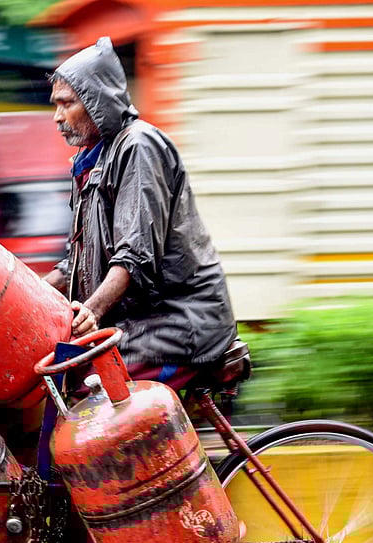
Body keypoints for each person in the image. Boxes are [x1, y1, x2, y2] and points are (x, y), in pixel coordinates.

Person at [45, 36, 236, 390]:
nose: (57, 117)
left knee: (88, 387)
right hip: (141, 324)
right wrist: (28, 294)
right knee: (56, 377)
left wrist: (94, 309)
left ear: (96, 102)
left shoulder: (138, 146)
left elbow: (135, 254)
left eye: (67, 104)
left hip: (177, 324)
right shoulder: (90, 162)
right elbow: (78, 261)